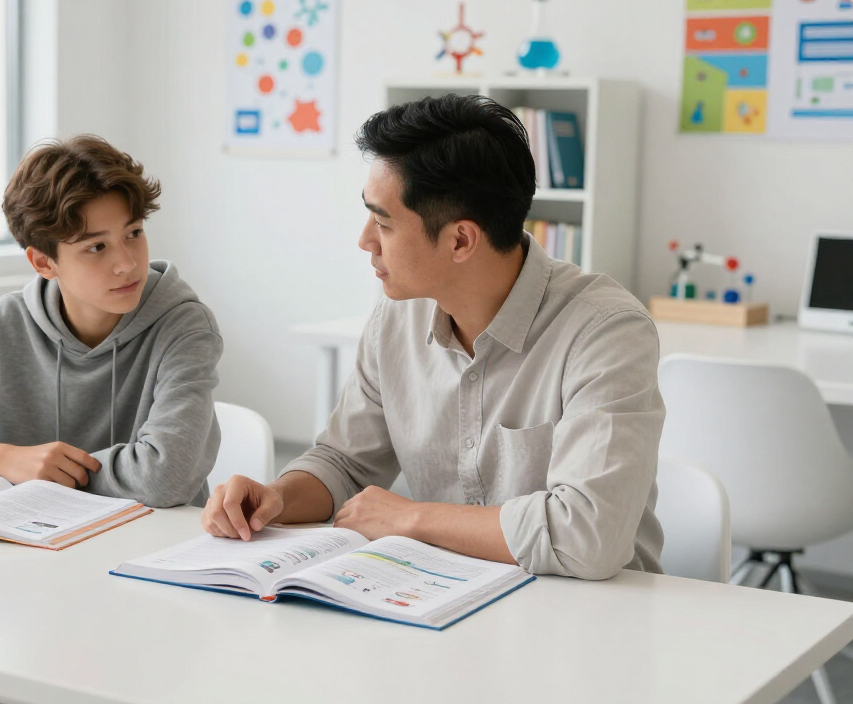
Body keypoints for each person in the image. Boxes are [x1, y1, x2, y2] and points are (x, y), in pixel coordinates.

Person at [203, 94, 664, 581]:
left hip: (589, 617)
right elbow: (346, 462)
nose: (365, 240)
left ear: (461, 240)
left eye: (382, 222)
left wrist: (410, 518)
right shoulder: (397, 317)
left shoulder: (605, 331)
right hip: (438, 596)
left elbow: (587, 537)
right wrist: (279, 496)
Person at [0, 134, 223, 704]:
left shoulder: (183, 325)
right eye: (95, 247)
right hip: (24, 592)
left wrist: (51, 474)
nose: (126, 262)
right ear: (43, 261)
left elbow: (166, 475)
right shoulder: (7, 323)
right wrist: (2, 459)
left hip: (139, 597)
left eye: (133, 232)